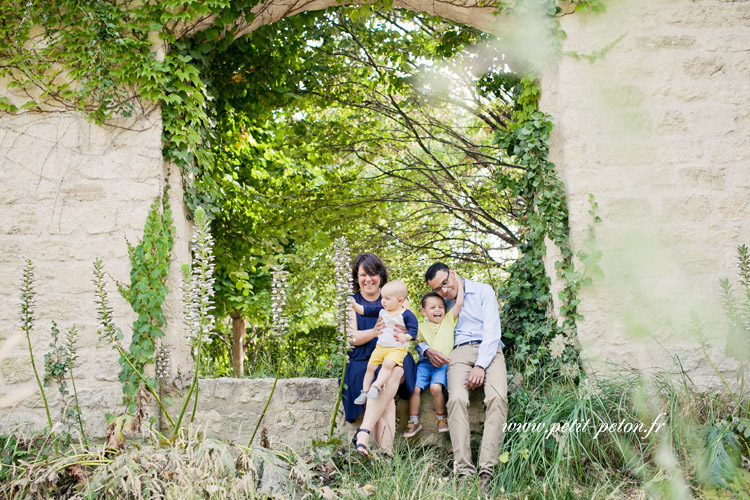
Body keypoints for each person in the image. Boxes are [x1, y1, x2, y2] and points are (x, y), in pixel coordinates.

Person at [420, 262, 507, 486]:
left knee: (497, 398)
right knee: (457, 398)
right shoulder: (441, 304)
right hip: (458, 353)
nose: (444, 291)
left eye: (445, 284)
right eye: (438, 289)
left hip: (490, 349)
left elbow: (492, 330)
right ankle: (464, 471)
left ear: (453, 274)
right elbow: (424, 329)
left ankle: (487, 471)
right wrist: (426, 350)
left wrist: (481, 365)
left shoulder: (483, 290)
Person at [344, 253, 416, 457]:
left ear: (381, 276)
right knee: (385, 391)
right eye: (363, 274)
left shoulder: (399, 300)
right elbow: (352, 337)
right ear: (356, 278)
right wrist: (375, 332)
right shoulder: (352, 301)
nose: (368, 279)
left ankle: (363, 434)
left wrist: (403, 334)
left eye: (373, 274)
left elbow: (407, 330)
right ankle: (386, 457)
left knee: (392, 371)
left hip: (395, 356)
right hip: (363, 360)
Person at [403, 274, 464, 438]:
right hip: (424, 364)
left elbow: (458, 303)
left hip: (443, 364)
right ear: (424, 311)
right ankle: (414, 421)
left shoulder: (449, 321)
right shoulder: (421, 327)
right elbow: (406, 320)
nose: (437, 310)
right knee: (415, 389)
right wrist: (403, 302)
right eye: (432, 308)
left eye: (440, 307)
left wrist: (459, 282)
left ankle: (441, 419)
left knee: (435, 388)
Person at [350, 280, 418, 405]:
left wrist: (407, 336)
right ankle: (364, 392)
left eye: (387, 299)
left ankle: (376, 386)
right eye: (382, 298)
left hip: (397, 349)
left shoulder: (406, 314)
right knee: (370, 367)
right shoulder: (382, 310)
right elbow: (365, 311)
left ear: (400, 301)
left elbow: (414, 329)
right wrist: (355, 306)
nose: (383, 301)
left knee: (387, 365)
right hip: (381, 347)